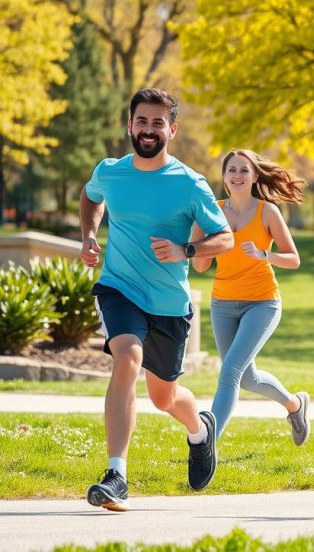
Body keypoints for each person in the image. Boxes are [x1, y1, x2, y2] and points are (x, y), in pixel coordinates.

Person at [79, 88, 233, 511]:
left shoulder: (189, 183)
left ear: (172, 129)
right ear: (130, 125)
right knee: (125, 357)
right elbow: (91, 196)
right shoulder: (110, 172)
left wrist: (186, 250)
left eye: (157, 123)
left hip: (168, 303)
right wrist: (89, 235)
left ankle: (200, 431)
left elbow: (225, 238)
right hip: (119, 288)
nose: (148, 130)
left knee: (164, 397)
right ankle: (117, 475)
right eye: (141, 121)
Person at [190, 149, 312, 446]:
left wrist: (264, 255)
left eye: (244, 170)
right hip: (222, 303)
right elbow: (200, 265)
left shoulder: (267, 211)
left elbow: (294, 258)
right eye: (232, 170)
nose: (237, 176)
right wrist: (201, 241)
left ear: (255, 175)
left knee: (230, 371)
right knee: (247, 378)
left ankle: (208, 446)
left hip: (263, 302)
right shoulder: (211, 211)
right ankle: (295, 405)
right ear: (224, 177)